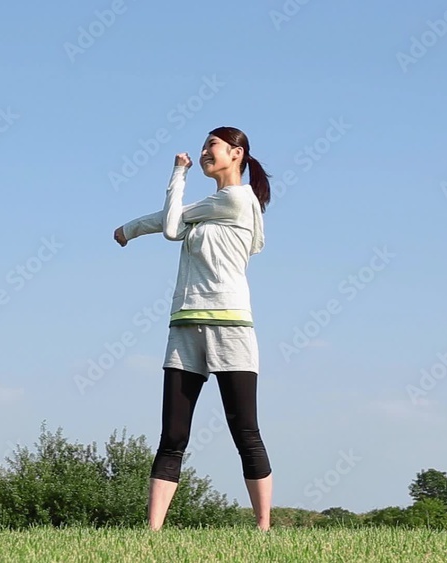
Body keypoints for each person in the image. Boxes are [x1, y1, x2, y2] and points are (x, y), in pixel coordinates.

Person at [113, 126, 274, 531]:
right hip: (184, 325)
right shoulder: (211, 207)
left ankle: (263, 528)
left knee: (245, 430)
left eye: (213, 146)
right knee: (173, 435)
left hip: (230, 325)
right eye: (203, 146)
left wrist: (178, 173)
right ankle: (152, 533)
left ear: (236, 154)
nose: (204, 152)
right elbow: (174, 219)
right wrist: (128, 230)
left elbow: (171, 227)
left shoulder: (238, 199)